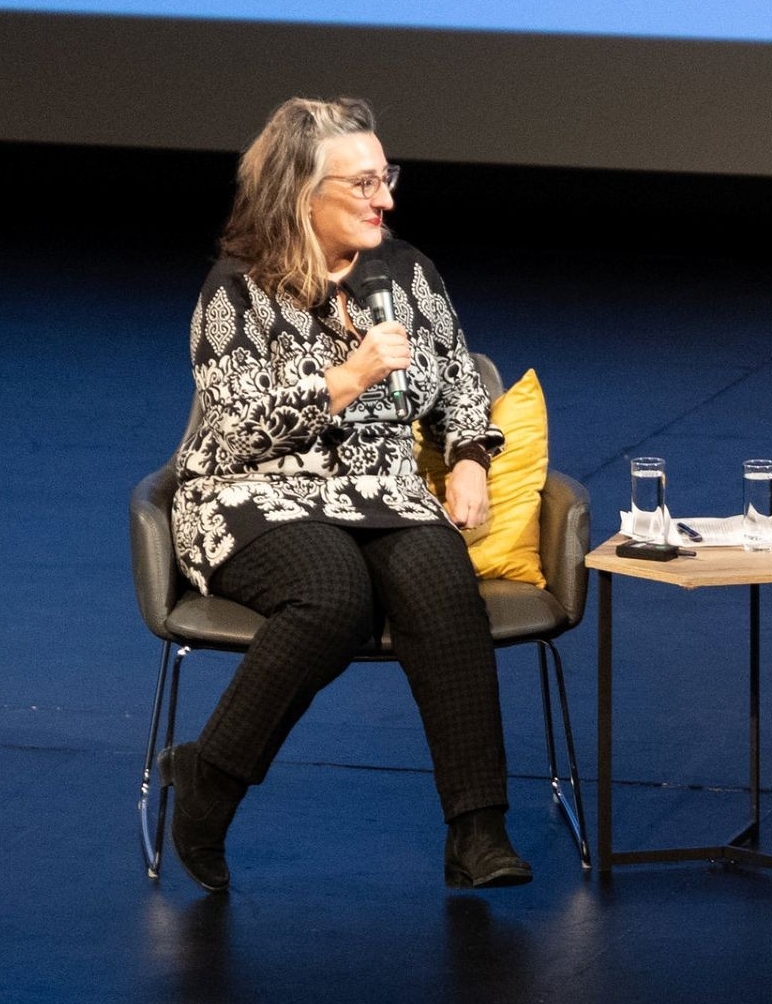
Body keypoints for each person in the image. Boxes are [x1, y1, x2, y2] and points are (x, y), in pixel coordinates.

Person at [162, 96, 531, 894]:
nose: (386, 199)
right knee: (333, 596)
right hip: (252, 494)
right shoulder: (236, 291)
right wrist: (346, 379)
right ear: (302, 191)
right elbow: (235, 432)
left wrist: (469, 454)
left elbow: (460, 376)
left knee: (442, 585)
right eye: (363, 184)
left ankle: (477, 831)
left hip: (381, 490)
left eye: (386, 178)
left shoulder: (406, 272)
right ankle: (211, 778)